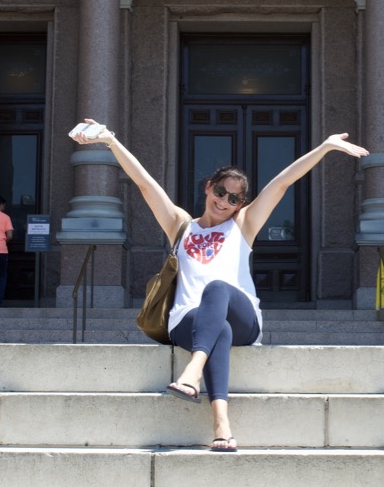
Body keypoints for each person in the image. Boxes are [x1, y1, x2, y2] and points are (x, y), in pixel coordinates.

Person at [70, 118, 368, 452]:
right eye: (220, 191)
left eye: (234, 198)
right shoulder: (180, 225)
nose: (224, 201)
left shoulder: (243, 227)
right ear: (208, 187)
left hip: (244, 320)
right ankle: (221, 423)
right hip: (187, 321)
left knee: (217, 289)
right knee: (218, 332)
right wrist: (110, 140)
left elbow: (282, 183)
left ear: (241, 204)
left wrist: (325, 147)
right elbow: (144, 183)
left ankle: (192, 371)